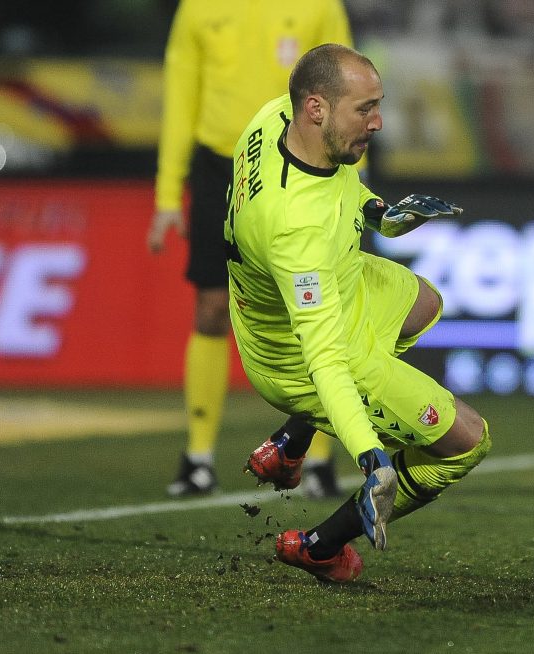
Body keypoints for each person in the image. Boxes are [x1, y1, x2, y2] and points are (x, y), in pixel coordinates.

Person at [226, 43, 492, 583]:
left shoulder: (277, 117)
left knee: (423, 303)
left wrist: (383, 216)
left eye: (378, 105)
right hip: (300, 356)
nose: (378, 122)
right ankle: (321, 547)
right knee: (467, 441)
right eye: (365, 109)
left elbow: (338, 186)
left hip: (335, 288)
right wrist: (371, 457)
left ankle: (289, 445)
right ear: (317, 108)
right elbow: (325, 360)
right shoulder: (297, 232)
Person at [147, 0, 356, 499]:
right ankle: (198, 458)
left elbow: (351, 96)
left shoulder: (320, 5)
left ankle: (318, 460)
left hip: (302, 170)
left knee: (313, 314)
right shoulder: (198, 8)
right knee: (211, 307)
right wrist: (168, 195)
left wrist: (353, 191)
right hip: (220, 168)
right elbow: (181, 98)